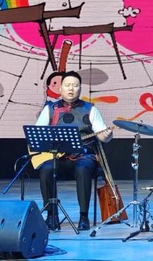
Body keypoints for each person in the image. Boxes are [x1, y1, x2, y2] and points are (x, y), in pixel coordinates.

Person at [34, 71, 114, 231]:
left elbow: (102, 135)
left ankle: (83, 216)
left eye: (75, 85)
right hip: (57, 156)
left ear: (80, 89)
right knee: (46, 168)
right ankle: (51, 215)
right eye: (67, 85)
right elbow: (37, 133)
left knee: (83, 168)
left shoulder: (90, 109)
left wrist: (107, 135)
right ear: (60, 89)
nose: (71, 89)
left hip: (83, 157)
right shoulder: (50, 109)